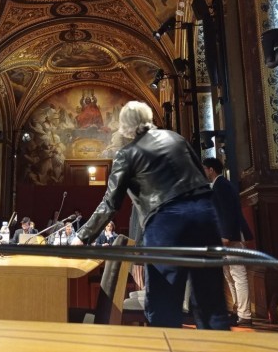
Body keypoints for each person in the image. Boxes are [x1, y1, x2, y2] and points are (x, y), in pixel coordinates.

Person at [73, 100, 230, 330]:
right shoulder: (177, 138)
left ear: (125, 128)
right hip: (205, 214)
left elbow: (110, 202)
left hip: (167, 221)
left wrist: (82, 236)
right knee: (211, 303)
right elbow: (202, 180)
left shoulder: (126, 154)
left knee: (164, 304)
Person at [202, 157, 254, 327]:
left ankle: (245, 314)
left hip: (231, 237)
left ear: (211, 169)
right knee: (229, 274)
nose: (204, 172)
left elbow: (228, 213)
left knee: (238, 274)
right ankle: (236, 309)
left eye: (204, 169)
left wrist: (226, 235)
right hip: (224, 236)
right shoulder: (218, 185)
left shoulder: (222, 185)